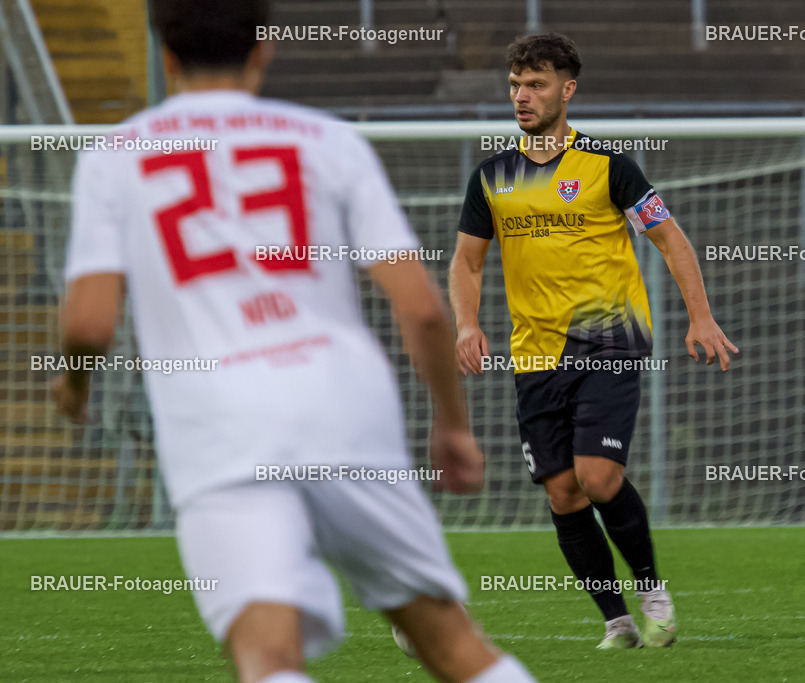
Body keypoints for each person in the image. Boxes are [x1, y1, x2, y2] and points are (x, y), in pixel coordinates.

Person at [50, 1, 535, 681]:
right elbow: (424, 310)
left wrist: (72, 387)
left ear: (164, 54)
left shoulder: (115, 155)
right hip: (345, 406)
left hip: (220, 424)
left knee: (268, 655)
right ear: (264, 49)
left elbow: (88, 325)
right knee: (452, 642)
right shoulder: (328, 140)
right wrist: (452, 426)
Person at [448, 33, 738, 649]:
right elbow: (467, 262)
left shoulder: (610, 167)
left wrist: (701, 317)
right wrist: (467, 323)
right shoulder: (493, 177)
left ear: (567, 90)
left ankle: (654, 594)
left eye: (537, 85)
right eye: (515, 86)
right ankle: (618, 622)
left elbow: (670, 240)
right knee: (562, 491)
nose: (523, 97)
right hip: (533, 355)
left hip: (608, 342)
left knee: (599, 476)